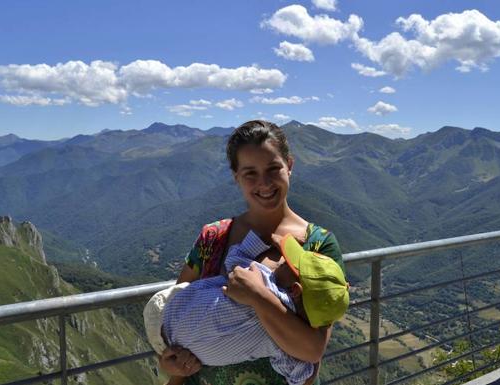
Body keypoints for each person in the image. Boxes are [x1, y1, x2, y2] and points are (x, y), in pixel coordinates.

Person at [159, 120, 345, 385]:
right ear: (236, 177)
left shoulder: (318, 245)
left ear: (289, 166)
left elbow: (313, 349)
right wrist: (170, 364)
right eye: (250, 173)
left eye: (273, 169)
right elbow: (177, 318)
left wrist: (258, 296)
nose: (265, 183)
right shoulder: (213, 239)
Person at [144, 230, 349, 385]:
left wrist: (266, 243)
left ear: (295, 289)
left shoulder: (260, 278)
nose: (284, 261)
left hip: (165, 314)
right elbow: (304, 374)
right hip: (184, 350)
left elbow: (237, 257)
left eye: (288, 263)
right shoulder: (286, 343)